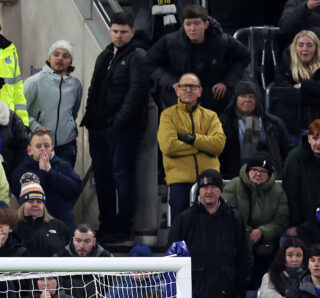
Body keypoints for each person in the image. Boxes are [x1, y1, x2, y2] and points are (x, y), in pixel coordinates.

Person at [168, 169, 252, 298]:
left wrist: (239, 287)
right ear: (198, 191)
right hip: (192, 293)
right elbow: (172, 253)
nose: (209, 191)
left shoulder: (234, 218)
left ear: (221, 191)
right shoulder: (186, 218)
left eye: (213, 187)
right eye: (204, 187)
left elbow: (245, 256)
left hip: (225, 292)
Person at [82, 10, 149, 245]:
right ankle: (107, 225)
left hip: (122, 129)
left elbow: (137, 93)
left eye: (123, 32)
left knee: (122, 177)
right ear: (110, 31)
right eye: (115, 31)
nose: (118, 35)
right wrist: (91, 120)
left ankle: (123, 227)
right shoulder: (105, 54)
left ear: (132, 31)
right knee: (102, 179)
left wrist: (119, 122)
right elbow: (93, 90)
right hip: (99, 127)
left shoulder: (138, 55)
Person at [144, 4, 250, 114]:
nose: (192, 29)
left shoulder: (222, 41)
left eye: (197, 23)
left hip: (214, 99)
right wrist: (171, 83)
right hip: (180, 98)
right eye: (188, 24)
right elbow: (149, 63)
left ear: (206, 24)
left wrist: (227, 82)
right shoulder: (171, 41)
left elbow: (244, 56)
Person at [157, 72, 225, 221]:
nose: (188, 90)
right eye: (184, 86)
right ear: (177, 90)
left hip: (209, 181)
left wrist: (191, 139)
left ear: (200, 91)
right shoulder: (167, 115)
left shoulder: (211, 116)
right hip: (180, 182)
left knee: (209, 227)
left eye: (193, 87)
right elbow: (168, 146)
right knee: (180, 231)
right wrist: (202, 146)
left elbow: (218, 145)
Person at [221, 156, 290, 287]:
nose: (258, 174)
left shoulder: (278, 192)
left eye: (263, 171)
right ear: (247, 170)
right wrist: (248, 232)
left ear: (269, 175)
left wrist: (262, 232)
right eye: (254, 170)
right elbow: (227, 213)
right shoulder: (234, 185)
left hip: (266, 246)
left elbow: (281, 220)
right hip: (237, 242)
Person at [23, 40, 82, 166]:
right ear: (49, 58)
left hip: (67, 145)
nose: (60, 58)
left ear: (70, 61)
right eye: (56, 54)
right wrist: (34, 126)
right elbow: (18, 110)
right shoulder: (34, 82)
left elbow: (74, 112)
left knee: (64, 184)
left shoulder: (76, 85)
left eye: (65, 56)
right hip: (40, 145)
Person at [218, 81, 294, 180]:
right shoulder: (223, 122)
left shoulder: (273, 123)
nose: (247, 100)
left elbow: (287, 151)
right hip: (233, 180)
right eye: (243, 96)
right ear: (235, 99)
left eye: (252, 96)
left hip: (268, 180)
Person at [11, 129, 82, 233]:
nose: (43, 149)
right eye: (38, 146)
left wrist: (50, 172)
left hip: (64, 225)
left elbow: (76, 189)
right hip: (34, 228)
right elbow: (22, 196)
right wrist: (43, 172)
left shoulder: (64, 166)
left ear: (52, 149)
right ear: (30, 150)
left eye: (47, 146)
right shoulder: (21, 171)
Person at [14, 176, 69, 258]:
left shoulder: (59, 226)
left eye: (39, 201)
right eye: (30, 201)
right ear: (22, 204)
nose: (35, 204)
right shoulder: (14, 226)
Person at [274, 29, 320, 125]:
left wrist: (303, 85)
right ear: (294, 47)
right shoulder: (283, 68)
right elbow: (287, 96)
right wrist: (315, 91)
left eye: (309, 45)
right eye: (300, 45)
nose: (304, 49)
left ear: (316, 48)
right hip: (292, 123)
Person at [282, 119, 320, 226]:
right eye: (315, 138)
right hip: (303, 223)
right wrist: (295, 225)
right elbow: (291, 194)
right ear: (309, 139)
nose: (319, 143)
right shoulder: (295, 158)